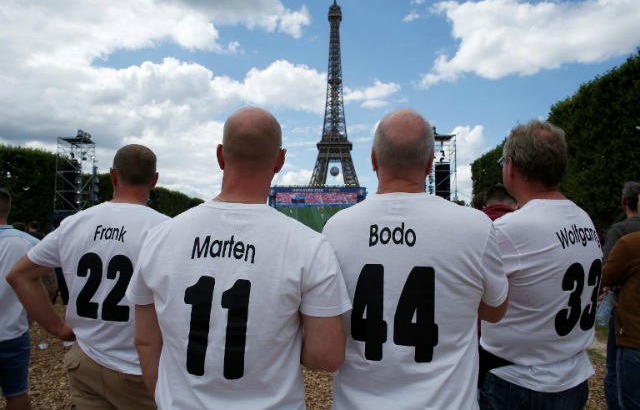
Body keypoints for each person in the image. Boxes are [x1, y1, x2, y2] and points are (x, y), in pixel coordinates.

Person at [126, 106, 350, 409]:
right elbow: (326, 357)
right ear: (280, 161)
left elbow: (145, 341)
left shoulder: (161, 237)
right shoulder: (309, 245)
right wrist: (274, 341)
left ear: (220, 155)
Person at [322, 109, 509, 409]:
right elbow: (495, 311)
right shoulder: (475, 226)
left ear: (373, 159)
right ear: (430, 163)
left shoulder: (336, 229)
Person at [7, 144, 168, 410]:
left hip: (86, 361)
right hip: (138, 367)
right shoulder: (164, 229)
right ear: (155, 180)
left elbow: (19, 275)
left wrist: (58, 329)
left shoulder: (74, 223)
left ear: (113, 176)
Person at [479, 120, 603, 409]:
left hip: (519, 381)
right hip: (572, 374)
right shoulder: (583, 218)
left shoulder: (510, 229)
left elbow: (476, 300)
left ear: (510, 166)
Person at [601, 181, 640, 410]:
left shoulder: (621, 232)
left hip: (627, 317)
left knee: (615, 370)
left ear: (624, 202)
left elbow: (607, 275)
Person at [0, 188, 39, 410]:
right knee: (17, 393)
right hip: (13, 331)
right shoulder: (28, 243)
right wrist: (35, 314)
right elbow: (48, 284)